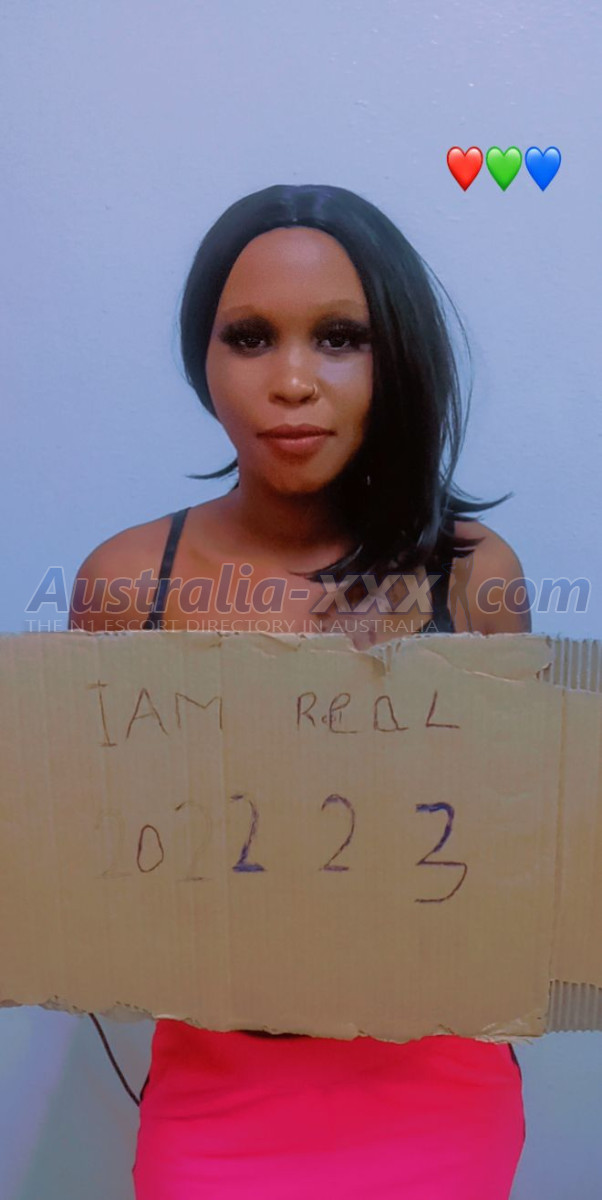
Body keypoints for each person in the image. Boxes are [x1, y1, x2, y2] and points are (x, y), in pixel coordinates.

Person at [70, 183, 529, 1199]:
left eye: (338, 338)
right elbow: (93, 858)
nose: (290, 382)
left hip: (436, 1088)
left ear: (395, 355)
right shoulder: (127, 585)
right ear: (202, 357)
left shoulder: (470, 575)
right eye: (248, 338)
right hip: (217, 1097)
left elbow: (516, 847)